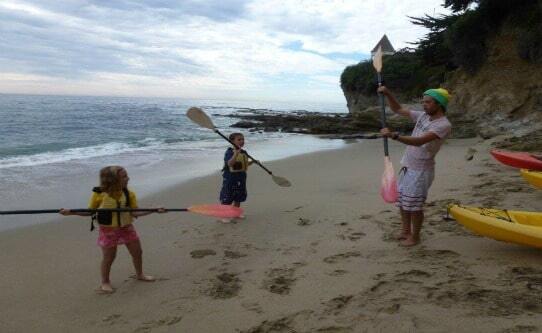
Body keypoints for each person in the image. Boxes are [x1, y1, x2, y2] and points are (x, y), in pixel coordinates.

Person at [60, 166, 165, 293]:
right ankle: (105, 282)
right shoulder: (99, 194)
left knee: (137, 252)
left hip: (126, 228)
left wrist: (154, 210)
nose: (128, 178)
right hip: (108, 231)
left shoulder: (128, 194)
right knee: (109, 257)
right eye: (124, 176)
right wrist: (71, 212)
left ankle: (140, 274)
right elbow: (89, 212)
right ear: (112, 180)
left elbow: (135, 212)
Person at [378, 86, 452, 246]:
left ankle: (415, 236)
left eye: (428, 102)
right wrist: (388, 93)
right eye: (423, 102)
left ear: (439, 104)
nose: (424, 105)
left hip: (421, 171)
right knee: (403, 202)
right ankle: (405, 231)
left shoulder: (443, 124)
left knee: (415, 206)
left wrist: (394, 135)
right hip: (407, 165)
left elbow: (420, 141)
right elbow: (397, 109)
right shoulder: (423, 116)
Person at [219, 133, 254, 222]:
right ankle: (225, 216)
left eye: (243, 139)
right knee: (228, 197)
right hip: (230, 178)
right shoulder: (229, 152)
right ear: (232, 141)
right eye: (239, 139)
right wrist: (235, 154)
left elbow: (242, 165)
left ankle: (236, 212)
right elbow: (230, 164)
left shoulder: (244, 152)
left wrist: (252, 162)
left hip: (241, 178)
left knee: (239, 196)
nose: (242, 141)